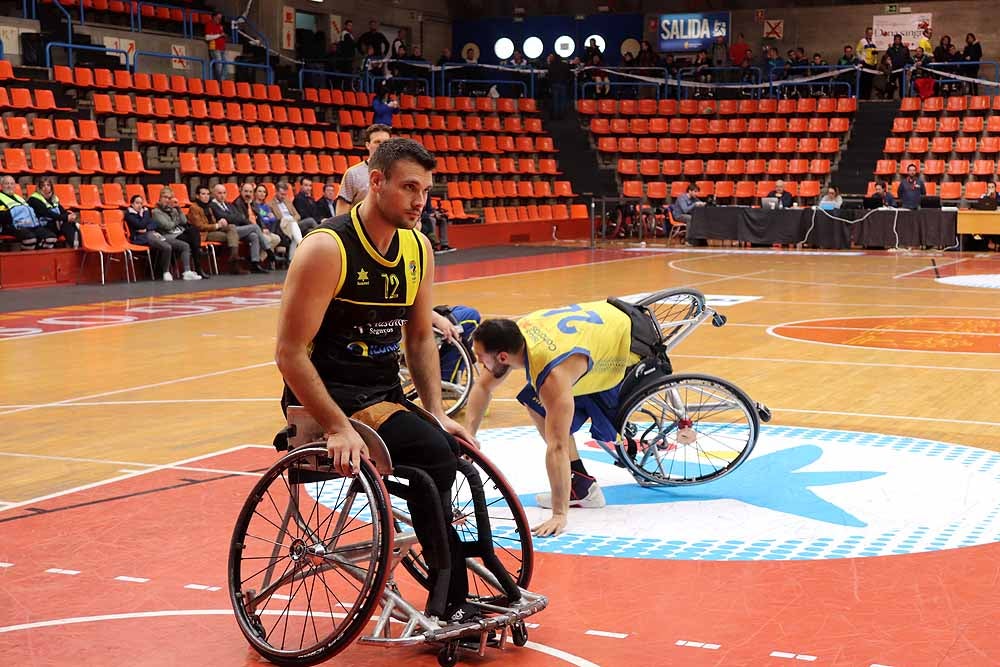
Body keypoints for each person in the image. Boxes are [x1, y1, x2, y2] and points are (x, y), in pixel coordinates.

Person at [274, 137, 477, 623]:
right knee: (432, 455)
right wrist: (336, 426)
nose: (420, 201)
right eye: (409, 188)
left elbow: (420, 338)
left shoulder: (418, 247)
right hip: (330, 395)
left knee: (449, 450)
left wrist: (436, 410)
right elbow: (288, 354)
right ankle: (450, 599)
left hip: (383, 396)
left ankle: (453, 572)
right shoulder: (326, 249)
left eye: (426, 191)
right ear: (377, 181)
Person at [465, 297, 666, 537]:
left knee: (554, 422)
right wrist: (469, 436)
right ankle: (579, 480)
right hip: (615, 316)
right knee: (534, 400)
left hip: (632, 346)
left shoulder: (553, 375)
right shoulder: (519, 332)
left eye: (480, 356)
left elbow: (557, 447)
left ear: (502, 357)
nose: (478, 361)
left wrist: (559, 515)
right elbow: (482, 387)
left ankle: (578, 490)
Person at [124, 194, 193, 281]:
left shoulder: (143, 213)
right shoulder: (129, 214)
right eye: (137, 203)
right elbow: (140, 225)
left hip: (153, 234)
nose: (140, 205)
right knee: (167, 247)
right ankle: (166, 272)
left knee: (184, 245)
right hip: (140, 238)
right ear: (132, 204)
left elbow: (154, 224)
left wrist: (146, 228)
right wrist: (146, 213)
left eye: (141, 203)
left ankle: (187, 272)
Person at [151, 186, 208, 279]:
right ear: (160, 198)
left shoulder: (173, 210)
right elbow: (168, 226)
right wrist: (176, 220)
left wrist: (178, 209)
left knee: (193, 232)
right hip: (167, 236)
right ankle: (198, 256)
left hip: (179, 233)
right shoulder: (156, 212)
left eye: (169, 198)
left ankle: (188, 270)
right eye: (165, 197)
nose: (167, 200)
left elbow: (184, 221)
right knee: (192, 236)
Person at [336, 123, 392, 215]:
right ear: (367, 145)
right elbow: (341, 213)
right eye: (377, 142)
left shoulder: (398, 173)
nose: (382, 146)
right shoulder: (353, 173)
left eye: (386, 142)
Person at [0, 175, 57, 250]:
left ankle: (38, 254)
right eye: (7, 183)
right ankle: (27, 256)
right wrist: (17, 212)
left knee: (51, 238)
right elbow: (2, 217)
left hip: (31, 225)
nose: (9, 186)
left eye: (12, 184)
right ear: (1, 185)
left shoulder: (18, 197)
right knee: (30, 239)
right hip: (13, 226)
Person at [28, 176, 78, 248]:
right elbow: (48, 213)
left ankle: (77, 246)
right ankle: (75, 246)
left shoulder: (54, 198)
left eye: (48, 185)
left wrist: (70, 215)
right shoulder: (34, 199)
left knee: (69, 224)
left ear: (51, 187)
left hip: (54, 225)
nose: (46, 187)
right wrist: (66, 218)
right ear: (39, 187)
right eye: (43, 185)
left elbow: (62, 211)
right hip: (41, 227)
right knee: (66, 223)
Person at [205, 12, 227, 81]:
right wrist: (220, 35)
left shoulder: (220, 26)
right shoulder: (209, 24)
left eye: (220, 18)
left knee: (225, 65)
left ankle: (222, 81)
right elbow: (207, 37)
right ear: (214, 17)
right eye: (218, 17)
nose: (219, 19)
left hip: (222, 48)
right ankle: (218, 80)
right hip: (215, 48)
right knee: (219, 64)